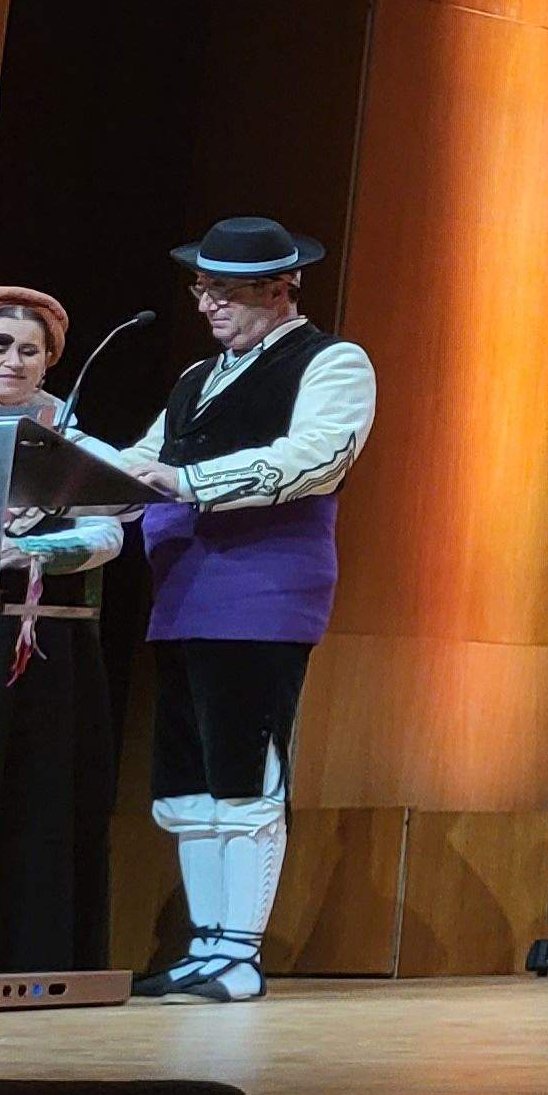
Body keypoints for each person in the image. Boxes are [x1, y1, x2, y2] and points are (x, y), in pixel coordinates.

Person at [105, 218, 378, 1004]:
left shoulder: (331, 360)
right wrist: (66, 487)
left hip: (261, 592)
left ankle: (238, 951)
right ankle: (205, 945)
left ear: (282, 289)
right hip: (183, 592)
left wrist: (188, 483)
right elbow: (143, 461)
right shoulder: (198, 377)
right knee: (187, 784)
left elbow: (317, 457)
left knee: (244, 771)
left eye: (224, 291)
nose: (207, 305)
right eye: (203, 289)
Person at [0, 288, 124, 974]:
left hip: (34, 651)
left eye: (30, 351)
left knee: (30, 803)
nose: (13, 360)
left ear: (47, 363)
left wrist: (32, 550)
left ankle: (21, 957)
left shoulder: (73, 444)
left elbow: (109, 531)